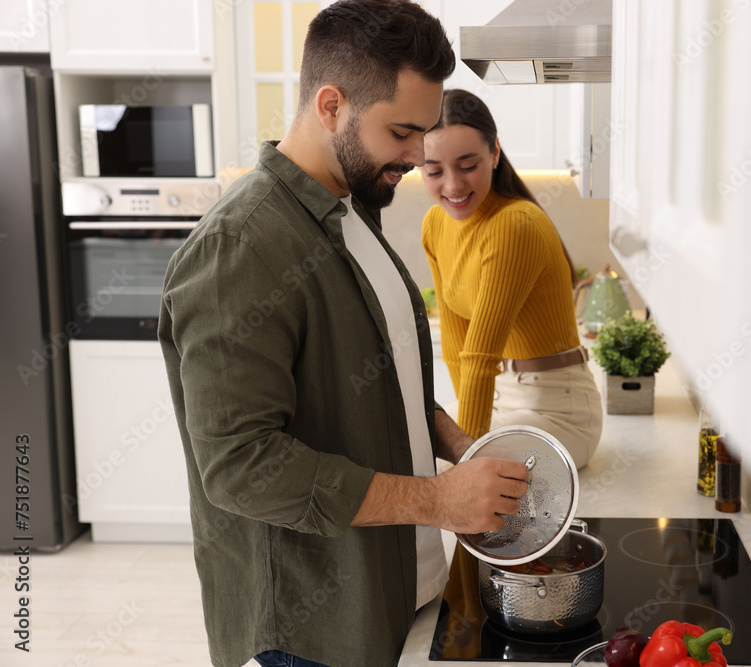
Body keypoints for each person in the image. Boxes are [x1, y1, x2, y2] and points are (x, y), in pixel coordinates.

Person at [157, 3, 529, 666]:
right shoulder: (241, 247)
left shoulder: (354, 210)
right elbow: (241, 465)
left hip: (392, 593)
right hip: (313, 631)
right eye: (402, 132)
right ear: (330, 105)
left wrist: (459, 445)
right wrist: (438, 499)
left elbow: (381, 382)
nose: (419, 156)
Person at [419, 89, 604, 469]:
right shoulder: (435, 224)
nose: (452, 186)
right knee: (412, 450)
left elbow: (480, 355)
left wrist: (465, 467)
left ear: (495, 153)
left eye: (468, 165)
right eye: (434, 170)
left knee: (441, 471)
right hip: (504, 395)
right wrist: (465, 443)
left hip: (559, 410)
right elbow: (457, 342)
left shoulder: (514, 224)